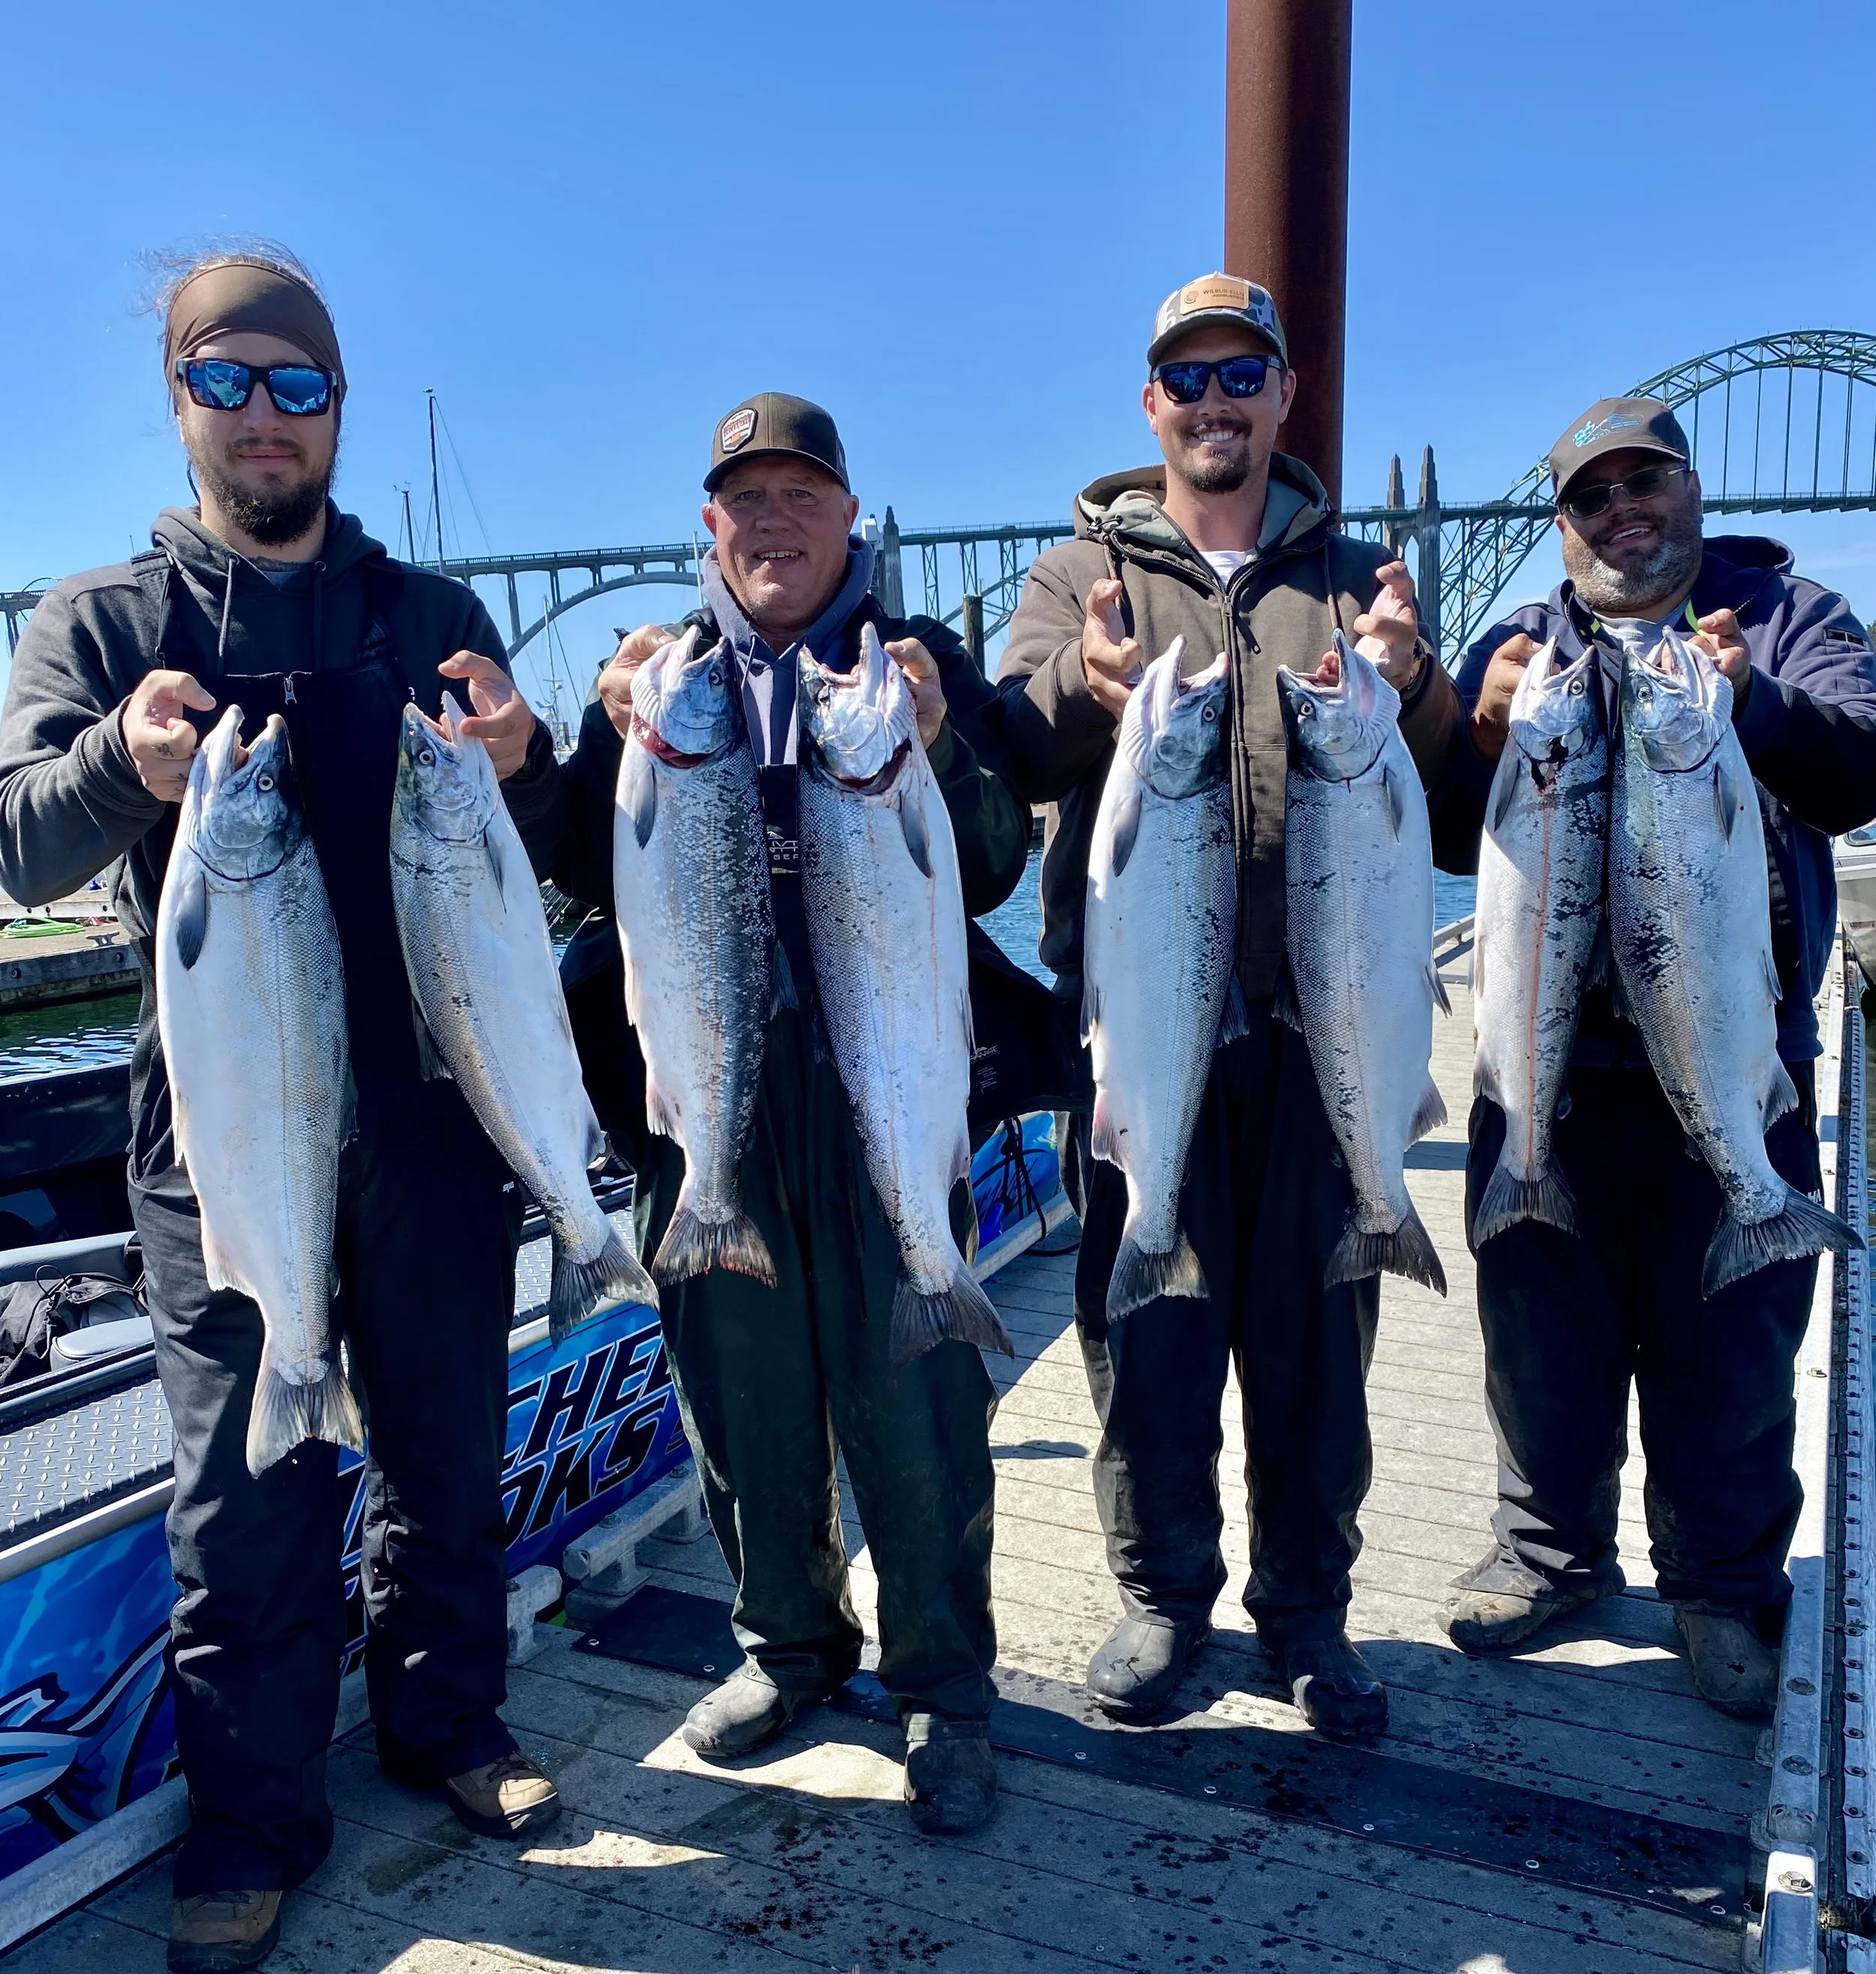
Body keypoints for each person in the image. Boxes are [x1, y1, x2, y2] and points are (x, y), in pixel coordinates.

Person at [0, 245, 567, 1973]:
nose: (264, 418)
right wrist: (120, 763)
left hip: (425, 1117)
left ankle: (449, 1725)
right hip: (226, 1133)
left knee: (446, 1451)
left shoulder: (432, 620)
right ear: (180, 400)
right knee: (240, 1497)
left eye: (298, 387)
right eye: (228, 382)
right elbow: (19, 835)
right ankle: (251, 1821)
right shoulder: (98, 624)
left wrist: (530, 765)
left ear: (338, 409)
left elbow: (523, 886)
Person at [549, 393, 1030, 1832]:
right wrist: (578, 737)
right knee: (744, 1410)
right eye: (743, 499)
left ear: (848, 515)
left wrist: (940, 749)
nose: (771, 521)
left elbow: (996, 860)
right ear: (711, 525)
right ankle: (790, 1650)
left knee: (917, 1406)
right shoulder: (648, 685)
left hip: (880, 1096)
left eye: (798, 495)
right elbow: (572, 859)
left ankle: (944, 1684)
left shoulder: (918, 665)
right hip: (708, 1113)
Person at [994, 275, 1463, 1741]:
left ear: (1279, 396)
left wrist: (1416, 681)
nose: (1210, 402)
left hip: (1322, 1030)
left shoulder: (1357, 575)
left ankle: (1307, 1609)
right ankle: (1161, 1594)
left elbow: (1440, 813)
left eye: (1236, 375)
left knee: (1318, 1339)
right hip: (1146, 1024)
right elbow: (1012, 744)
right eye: (1182, 379)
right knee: (1150, 1337)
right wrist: (1086, 683)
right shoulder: (1076, 577)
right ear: (1150, 407)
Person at [1433, 396, 1876, 1716]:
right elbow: (1451, 834)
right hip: (1551, 1068)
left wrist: (1757, 701)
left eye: (1646, 484)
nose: (1622, 511)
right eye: (1592, 497)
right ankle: (1550, 1554)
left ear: (1691, 487)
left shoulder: (1794, 615)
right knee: (1538, 1336)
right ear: (1563, 525)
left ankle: (1723, 1587)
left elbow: (1860, 767)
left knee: (1730, 1346)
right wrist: (1472, 723)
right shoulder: (1521, 646)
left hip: (1735, 1057)